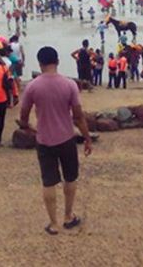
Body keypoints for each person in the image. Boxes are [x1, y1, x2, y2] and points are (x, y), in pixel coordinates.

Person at [18, 47, 93, 235]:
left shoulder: (33, 86)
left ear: (40, 63)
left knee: (49, 182)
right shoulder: (69, 85)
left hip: (44, 139)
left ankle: (53, 223)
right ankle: (68, 216)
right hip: (66, 137)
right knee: (70, 177)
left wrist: (28, 126)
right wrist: (87, 137)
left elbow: (23, 115)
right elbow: (78, 116)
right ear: (57, 61)